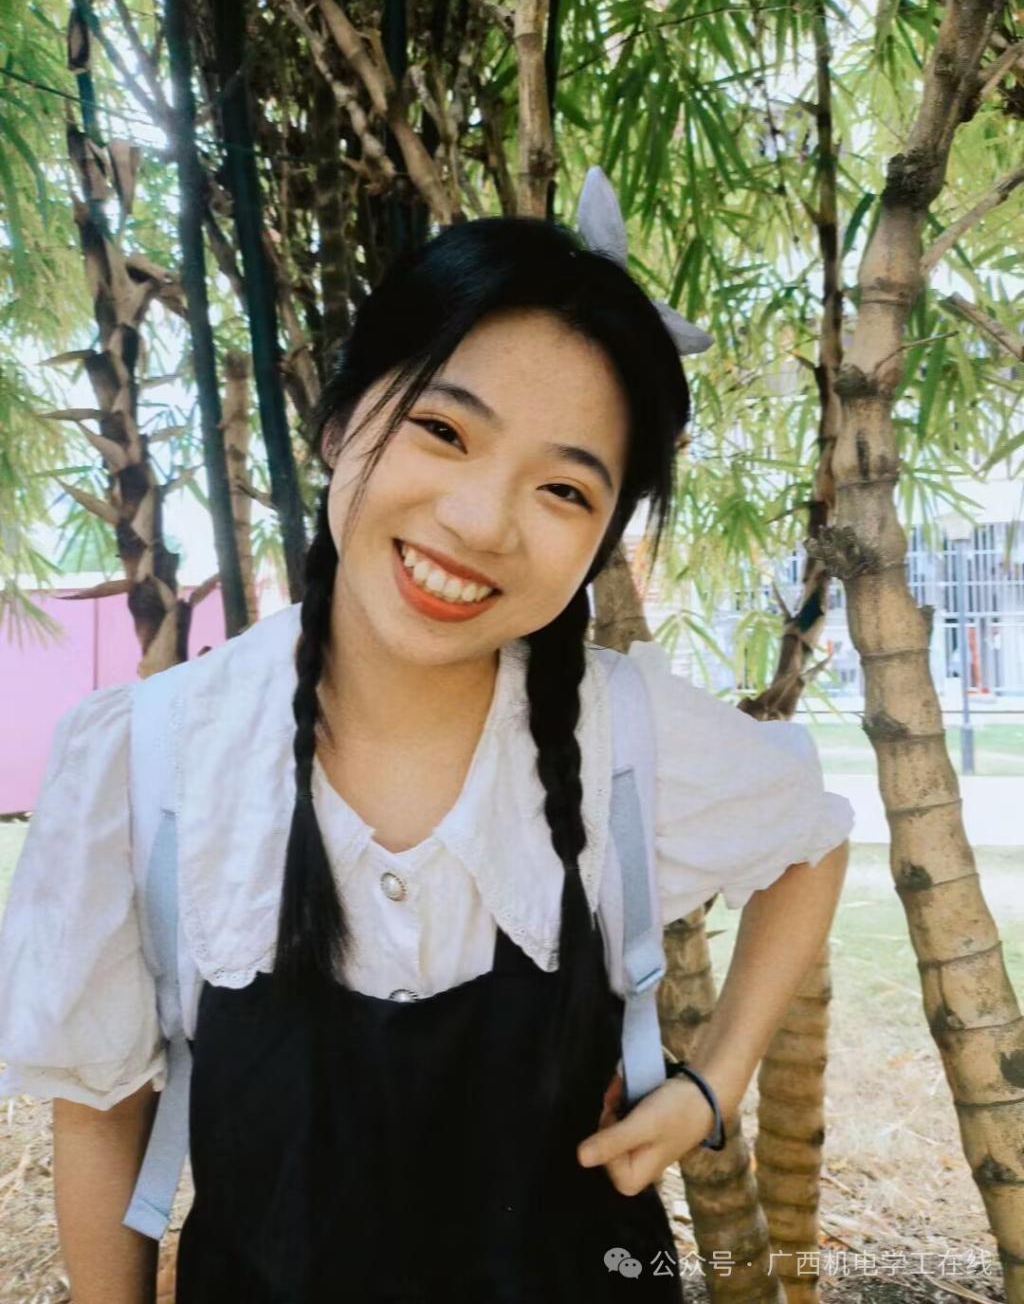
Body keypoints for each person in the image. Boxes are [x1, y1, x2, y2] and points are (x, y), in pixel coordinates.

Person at [0, 208, 853, 1303]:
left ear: (601, 540)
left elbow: (811, 839)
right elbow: (100, 1110)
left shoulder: (625, 733)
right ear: (340, 419)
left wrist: (713, 1081)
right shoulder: (153, 757)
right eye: (445, 430)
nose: (481, 521)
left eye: (564, 489)